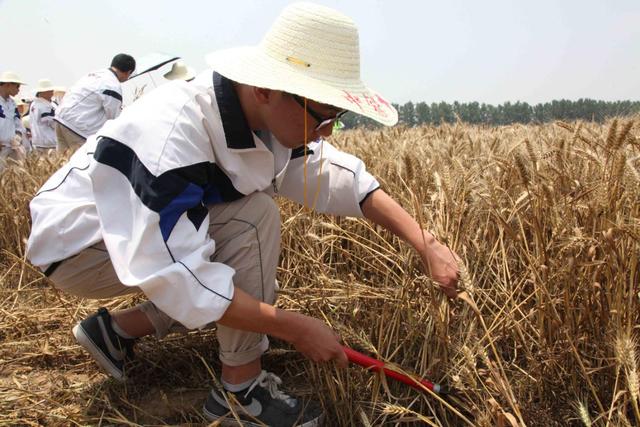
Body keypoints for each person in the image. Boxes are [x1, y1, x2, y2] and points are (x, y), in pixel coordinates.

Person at [26, 3, 460, 426]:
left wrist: (426, 243)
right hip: (82, 247)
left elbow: (335, 177)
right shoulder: (173, 135)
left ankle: (115, 332)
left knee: (239, 238)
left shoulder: (266, 122)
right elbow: (178, 277)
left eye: (336, 117)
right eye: (323, 115)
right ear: (266, 89)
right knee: (253, 219)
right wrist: (293, 327)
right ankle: (240, 394)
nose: (327, 130)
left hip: (135, 241)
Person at [54, 53, 135, 151]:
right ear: (128, 72)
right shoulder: (113, 85)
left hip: (60, 119)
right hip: (78, 127)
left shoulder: (94, 74)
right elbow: (114, 119)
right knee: (82, 163)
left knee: (62, 162)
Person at [0, 71, 27, 170]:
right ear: (8, 85)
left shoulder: (12, 103)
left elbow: (18, 123)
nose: (18, 90)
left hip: (11, 147)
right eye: (17, 87)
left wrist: (18, 136)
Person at [29, 79, 58, 151]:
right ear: (43, 92)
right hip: (48, 143)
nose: (52, 92)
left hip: (38, 141)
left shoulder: (34, 104)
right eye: (49, 90)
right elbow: (53, 123)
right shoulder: (44, 106)